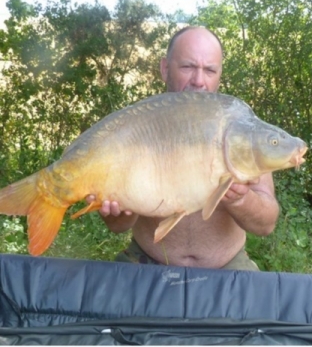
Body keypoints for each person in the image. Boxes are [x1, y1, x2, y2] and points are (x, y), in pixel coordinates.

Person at [87, 26, 279, 270]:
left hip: (227, 264)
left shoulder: (239, 129)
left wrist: (240, 199)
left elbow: (266, 224)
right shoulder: (137, 125)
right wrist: (118, 212)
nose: (199, 81)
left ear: (219, 74)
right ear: (165, 68)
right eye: (188, 67)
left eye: (209, 70)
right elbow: (118, 227)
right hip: (147, 258)